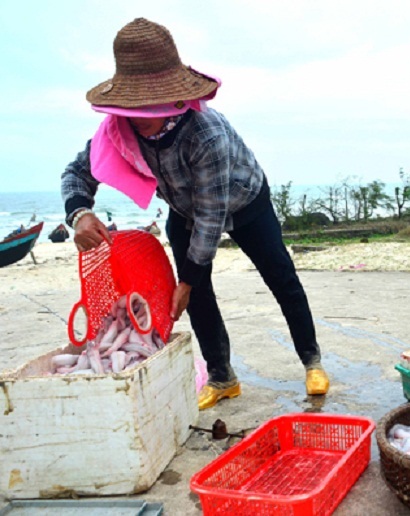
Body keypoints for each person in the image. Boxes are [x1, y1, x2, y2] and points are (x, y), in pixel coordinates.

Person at [61, 18, 329, 410]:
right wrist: (79, 212)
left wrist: (187, 277)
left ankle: (312, 361)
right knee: (196, 297)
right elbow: (76, 172)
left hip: (243, 201)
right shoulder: (118, 130)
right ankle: (222, 377)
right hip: (183, 210)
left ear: (172, 98)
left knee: (281, 277)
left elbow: (211, 216)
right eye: (130, 109)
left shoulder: (206, 135)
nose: (138, 120)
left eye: (146, 109)